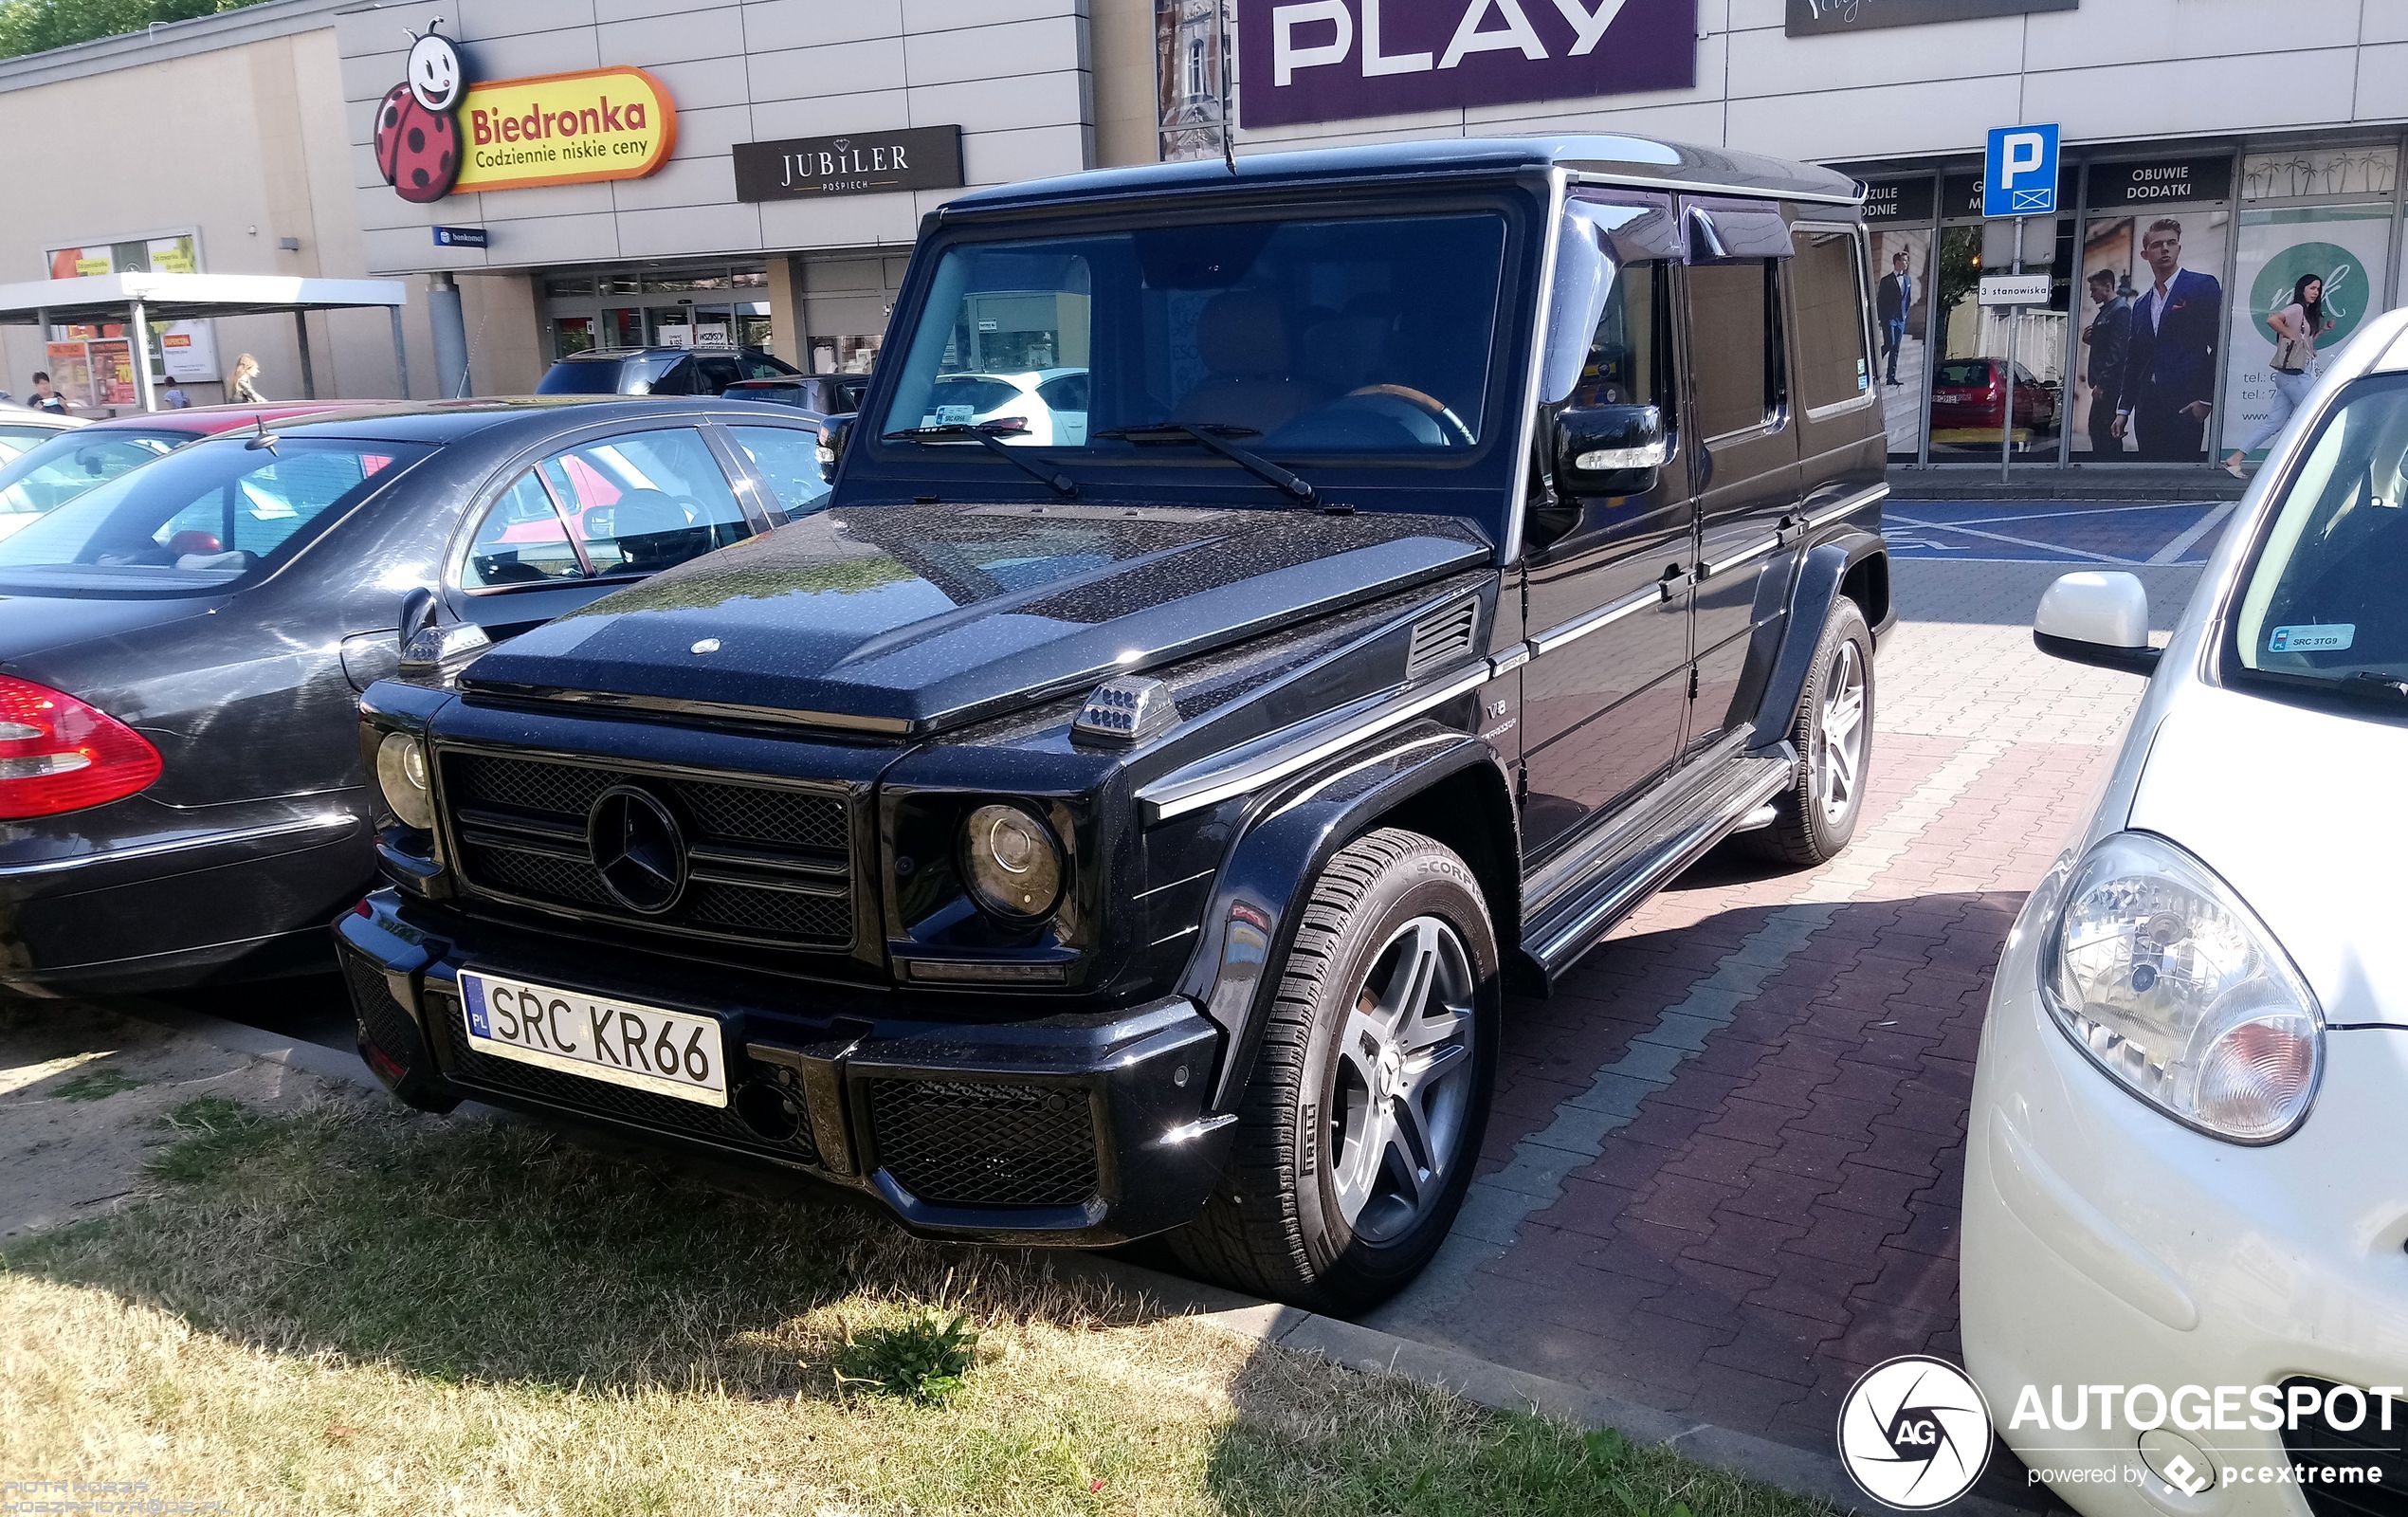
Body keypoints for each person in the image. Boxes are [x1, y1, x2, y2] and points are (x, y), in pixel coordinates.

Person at [2114, 218, 2223, 461]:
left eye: (2171, 243)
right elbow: (2135, 359)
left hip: (2185, 404)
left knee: (2183, 470)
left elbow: (2219, 345)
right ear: (2145, 254)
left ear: (2179, 248)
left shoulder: (2201, 286)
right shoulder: (2141, 304)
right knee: (2149, 470)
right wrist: (2124, 409)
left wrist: (2206, 400)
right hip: (2147, 408)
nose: (2165, 249)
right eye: (2157, 244)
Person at [2224, 272, 2334, 477]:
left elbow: (2306, 344)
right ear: (2302, 288)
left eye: (2318, 289)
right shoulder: (2297, 308)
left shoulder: (2304, 313)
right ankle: (2298, 465)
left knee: (2273, 423)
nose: (2315, 292)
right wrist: (2290, 334)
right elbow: (2273, 320)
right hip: (2298, 375)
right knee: (2313, 416)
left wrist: (2321, 332)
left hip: (2291, 375)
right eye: (2312, 288)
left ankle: (2235, 458)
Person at [2080, 269, 2132, 456]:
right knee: (2098, 428)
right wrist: (2090, 340)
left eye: (2094, 290)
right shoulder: (2107, 311)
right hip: (2104, 382)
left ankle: (2110, 465)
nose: (2092, 294)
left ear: (2108, 287)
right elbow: (2106, 344)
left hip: (2111, 385)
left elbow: (2118, 352)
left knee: (2103, 429)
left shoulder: (2120, 311)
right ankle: (2104, 463)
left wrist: (2102, 383)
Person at [1876, 250, 1914, 387]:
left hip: (1900, 319)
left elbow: (1908, 298)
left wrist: (1905, 314)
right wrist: (1881, 318)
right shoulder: (1886, 280)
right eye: (1904, 260)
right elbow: (1880, 300)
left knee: (1896, 348)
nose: (1906, 263)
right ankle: (1874, 364)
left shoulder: (1908, 279)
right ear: (1897, 262)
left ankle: (1891, 377)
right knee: (1889, 343)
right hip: (1889, 318)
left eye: (1907, 260)